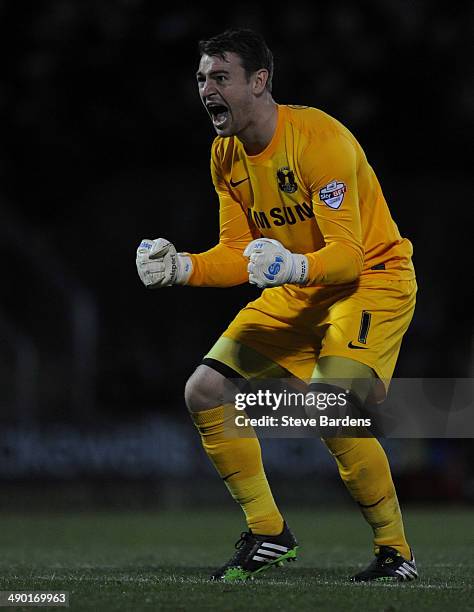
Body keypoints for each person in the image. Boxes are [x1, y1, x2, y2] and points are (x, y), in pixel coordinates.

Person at [136, 28, 418, 583]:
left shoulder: (319, 141)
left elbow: (347, 257)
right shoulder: (225, 155)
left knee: (331, 406)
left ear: (259, 81)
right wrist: (184, 268)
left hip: (373, 281)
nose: (206, 89)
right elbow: (239, 253)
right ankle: (268, 532)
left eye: (220, 77)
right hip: (303, 286)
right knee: (205, 390)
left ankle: (396, 551)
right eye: (201, 78)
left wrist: (290, 266)